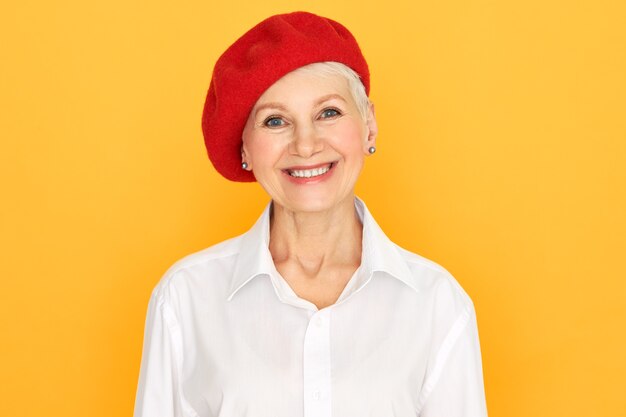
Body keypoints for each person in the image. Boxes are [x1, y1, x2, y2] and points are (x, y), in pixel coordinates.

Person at [133, 11, 488, 417]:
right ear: (245, 149)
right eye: (276, 120)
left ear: (369, 125)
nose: (305, 145)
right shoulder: (185, 300)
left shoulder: (438, 305)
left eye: (329, 113)